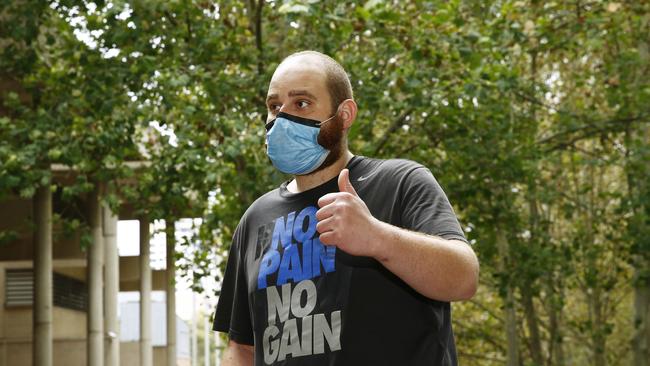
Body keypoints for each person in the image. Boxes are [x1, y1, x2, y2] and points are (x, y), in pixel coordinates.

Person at [213, 50, 479, 366]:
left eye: (301, 103)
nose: (281, 119)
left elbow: (463, 277)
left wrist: (376, 238)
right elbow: (242, 348)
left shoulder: (400, 181)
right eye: (274, 107)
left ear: (345, 114)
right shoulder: (256, 218)